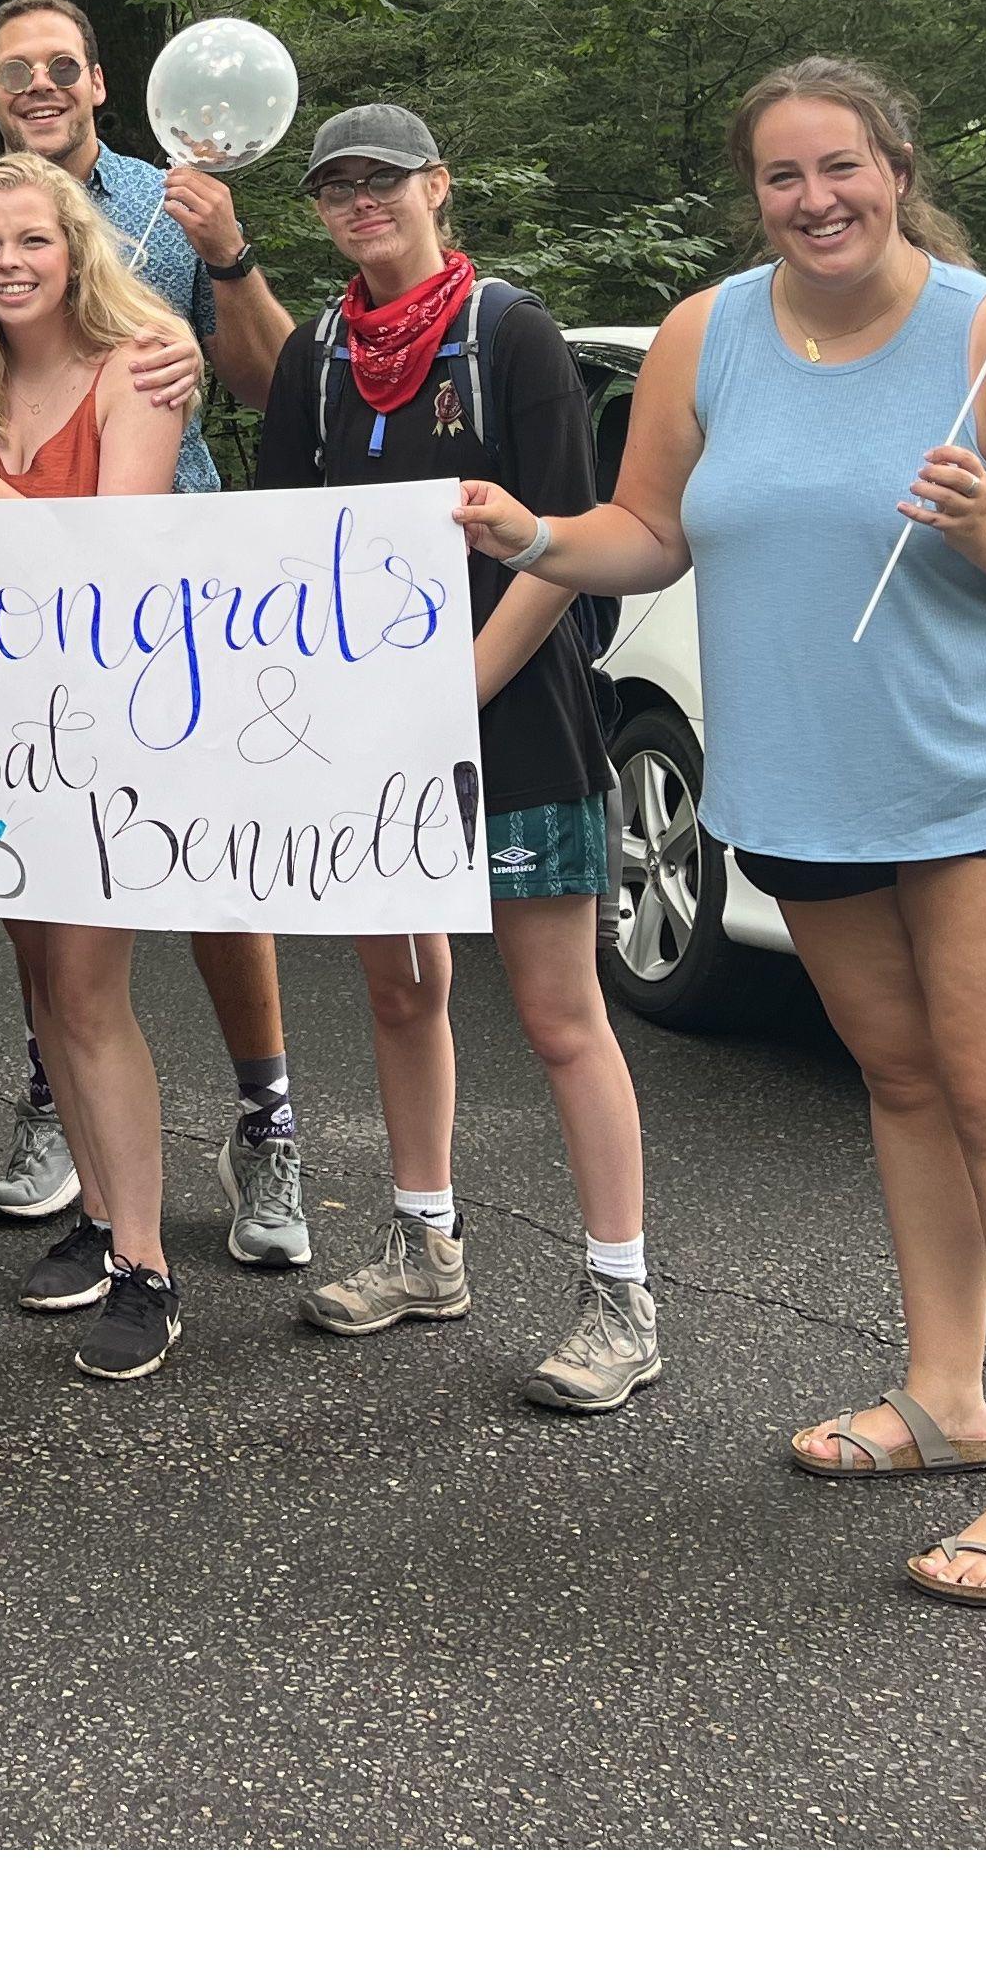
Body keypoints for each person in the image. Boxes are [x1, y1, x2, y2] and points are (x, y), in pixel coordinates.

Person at [452, 55, 986, 1603]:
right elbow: (649, 534)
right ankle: (946, 1398)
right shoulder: (708, 335)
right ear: (755, 194)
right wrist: (536, 536)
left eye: (842, 166)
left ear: (898, 168)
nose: (815, 198)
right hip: (807, 785)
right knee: (903, 1081)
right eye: (783, 176)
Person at [261, 103, 661, 1410]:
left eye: (383, 179)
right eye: (335, 186)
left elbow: (566, 542)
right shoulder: (318, 355)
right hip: (370, 739)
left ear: (438, 185)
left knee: (558, 1015)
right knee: (400, 990)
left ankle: (621, 1297)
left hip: (518, 721)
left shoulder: (510, 334)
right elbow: (282, 553)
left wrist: (457, 692)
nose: (360, 201)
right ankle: (424, 1247)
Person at [0, 0, 312, 1272]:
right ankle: (58, 1100)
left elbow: (272, 390)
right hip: (13, 604)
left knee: (212, 875)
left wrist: (228, 260)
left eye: (63, 65)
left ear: (102, 82)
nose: (41, 86)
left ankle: (266, 1120)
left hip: (172, 587)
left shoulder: (174, 207)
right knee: (41, 872)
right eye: (16, 71)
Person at [0, 154, 196, 1381]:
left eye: (33, 240)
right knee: (43, 988)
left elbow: (109, 570)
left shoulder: (140, 365)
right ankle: (102, 1220)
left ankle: (150, 1268)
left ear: (77, 247)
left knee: (88, 988)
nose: (9, 263)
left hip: (109, 730)